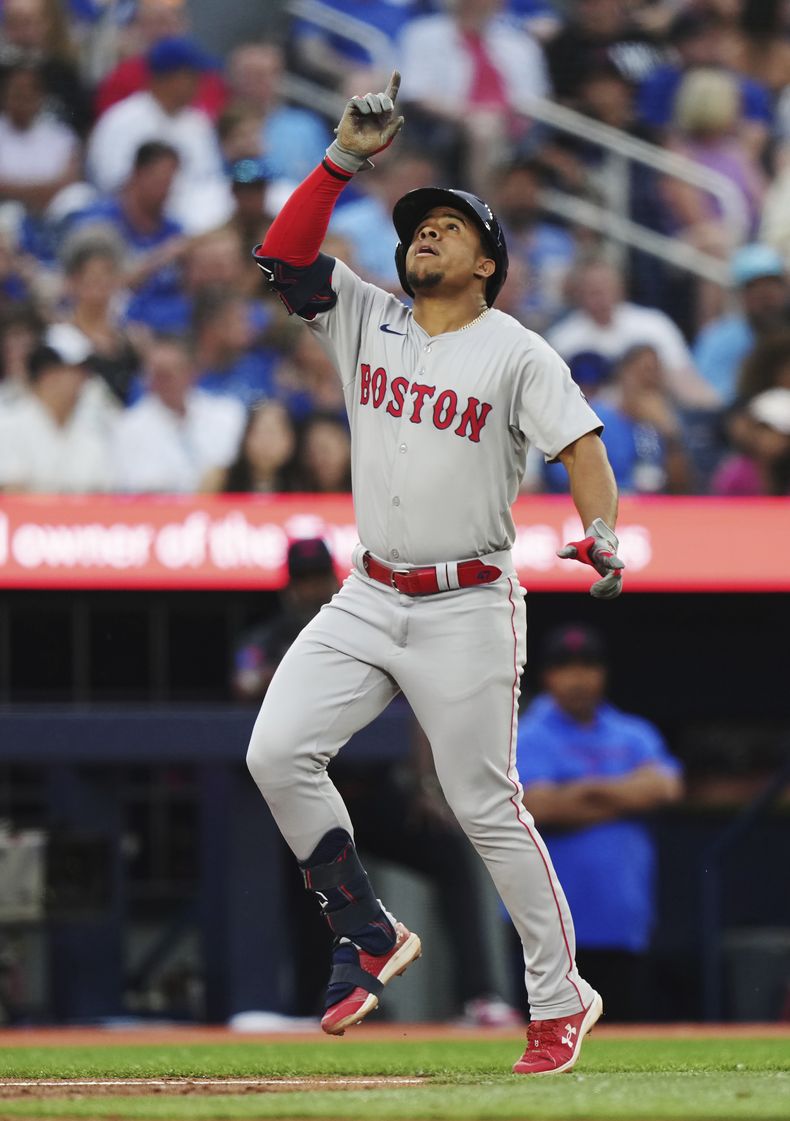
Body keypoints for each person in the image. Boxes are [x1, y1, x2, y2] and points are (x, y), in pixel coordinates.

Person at [245, 70, 626, 1076]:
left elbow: (581, 447)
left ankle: (559, 994)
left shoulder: (517, 350)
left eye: (449, 226)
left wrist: (602, 530)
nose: (425, 233)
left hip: (466, 599)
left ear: (487, 261)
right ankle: (364, 928)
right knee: (276, 749)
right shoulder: (365, 313)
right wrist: (338, 163)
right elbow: (281, 256)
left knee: (483, 802)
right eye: (419, 223)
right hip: (368, 590)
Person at [235, 537, 523, 1028]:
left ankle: (479, 996)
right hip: (315, 799)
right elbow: (243, 678)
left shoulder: (363, 625)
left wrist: (424, 785)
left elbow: (420, 694)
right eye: (301, 581)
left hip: (374, 794)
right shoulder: (277, 636)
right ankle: (317, 1003)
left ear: (333, 577)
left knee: (449, 856)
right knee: (314, 890)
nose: (310, 589)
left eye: (317, 579)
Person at [516, 624, 683, 1021]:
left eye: (587, 666)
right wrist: (625, 796)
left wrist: (577, 792)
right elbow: (536, 806)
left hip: (621, 917)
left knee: (624, 1041)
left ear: (602, 673)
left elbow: (666, 789)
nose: (578, 678)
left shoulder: (634, 732)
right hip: (548, 923)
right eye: (565, 667)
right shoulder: (527, 734)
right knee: (548, 1034)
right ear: (547, 675)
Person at [548, 256, 720, 409]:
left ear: (620, 287)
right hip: (590, 425)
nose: (600, 297)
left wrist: (712, 406)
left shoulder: (654, 324)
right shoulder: (562, 340)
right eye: (592, 291)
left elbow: (683, 378)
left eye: (606, 288)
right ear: (578, 294)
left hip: (652, 417)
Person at [110, 335, 244, 493]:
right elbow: (129, 487)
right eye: (157, 374)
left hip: (223, 512)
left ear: (191, 372)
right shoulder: (127, 427)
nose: (162, 382)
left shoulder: (227, 414)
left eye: (170, 374)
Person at [0, 324, 112, 493]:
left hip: (84, 518)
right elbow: (11, 494)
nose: (84, 380)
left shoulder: (91, 431)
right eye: (77, 371)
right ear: (48, 374)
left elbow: (104, 496)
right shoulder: (9, 426)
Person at [693, 244, 789, 406]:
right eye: (753, 287)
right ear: (740, 295)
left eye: (772, 284)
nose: (766, 295)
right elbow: (707, 398)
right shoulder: (718, 339)